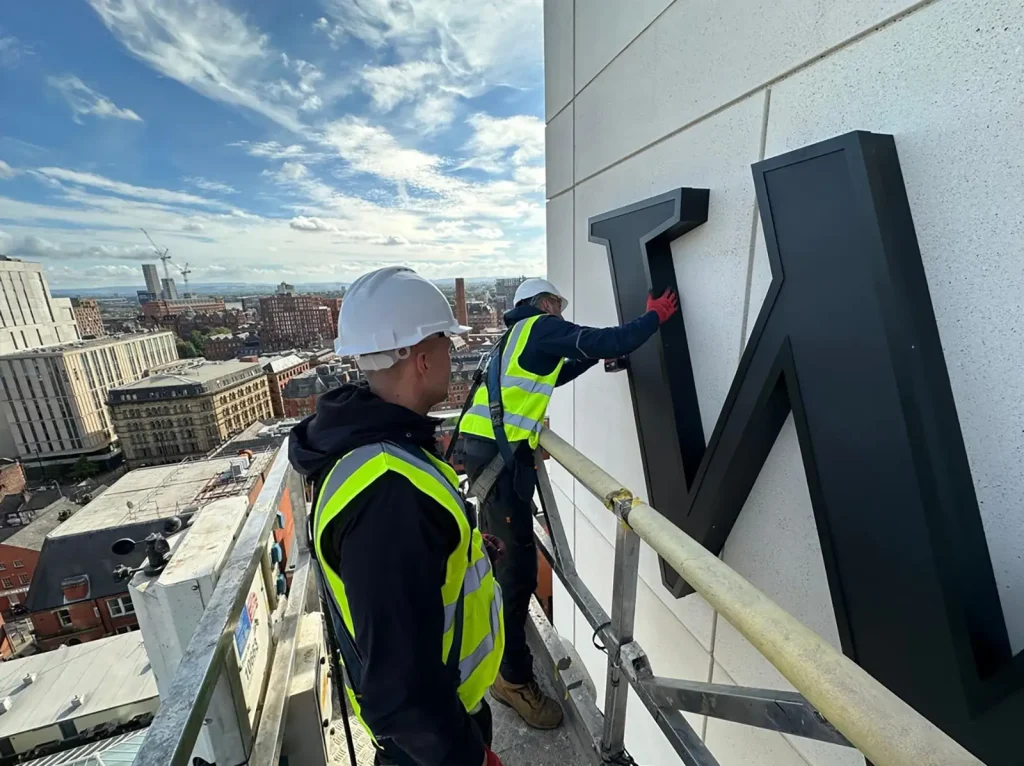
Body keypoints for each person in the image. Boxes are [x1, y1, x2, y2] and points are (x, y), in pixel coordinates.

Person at [290, 266, 505, 766]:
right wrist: (468, 758)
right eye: (447, 343)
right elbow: (403, 692)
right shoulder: (389, 493)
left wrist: (466, 555)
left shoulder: (378, 445)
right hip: (430, 746)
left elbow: (406, 587)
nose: (453, 354)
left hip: (439, 723)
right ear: (423, 359)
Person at [457, 277, 678, 729]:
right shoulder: (538, 327)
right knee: (516, 575)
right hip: (499, 465)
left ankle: (501, 655)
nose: (560, 313)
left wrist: (600, 358)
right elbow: (594, 340)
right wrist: (653, 316)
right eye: (557, 305)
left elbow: (561, 368)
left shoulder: (513, 341)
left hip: (491, 458)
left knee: (506, 562)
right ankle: (511, 679)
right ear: (542, 303)